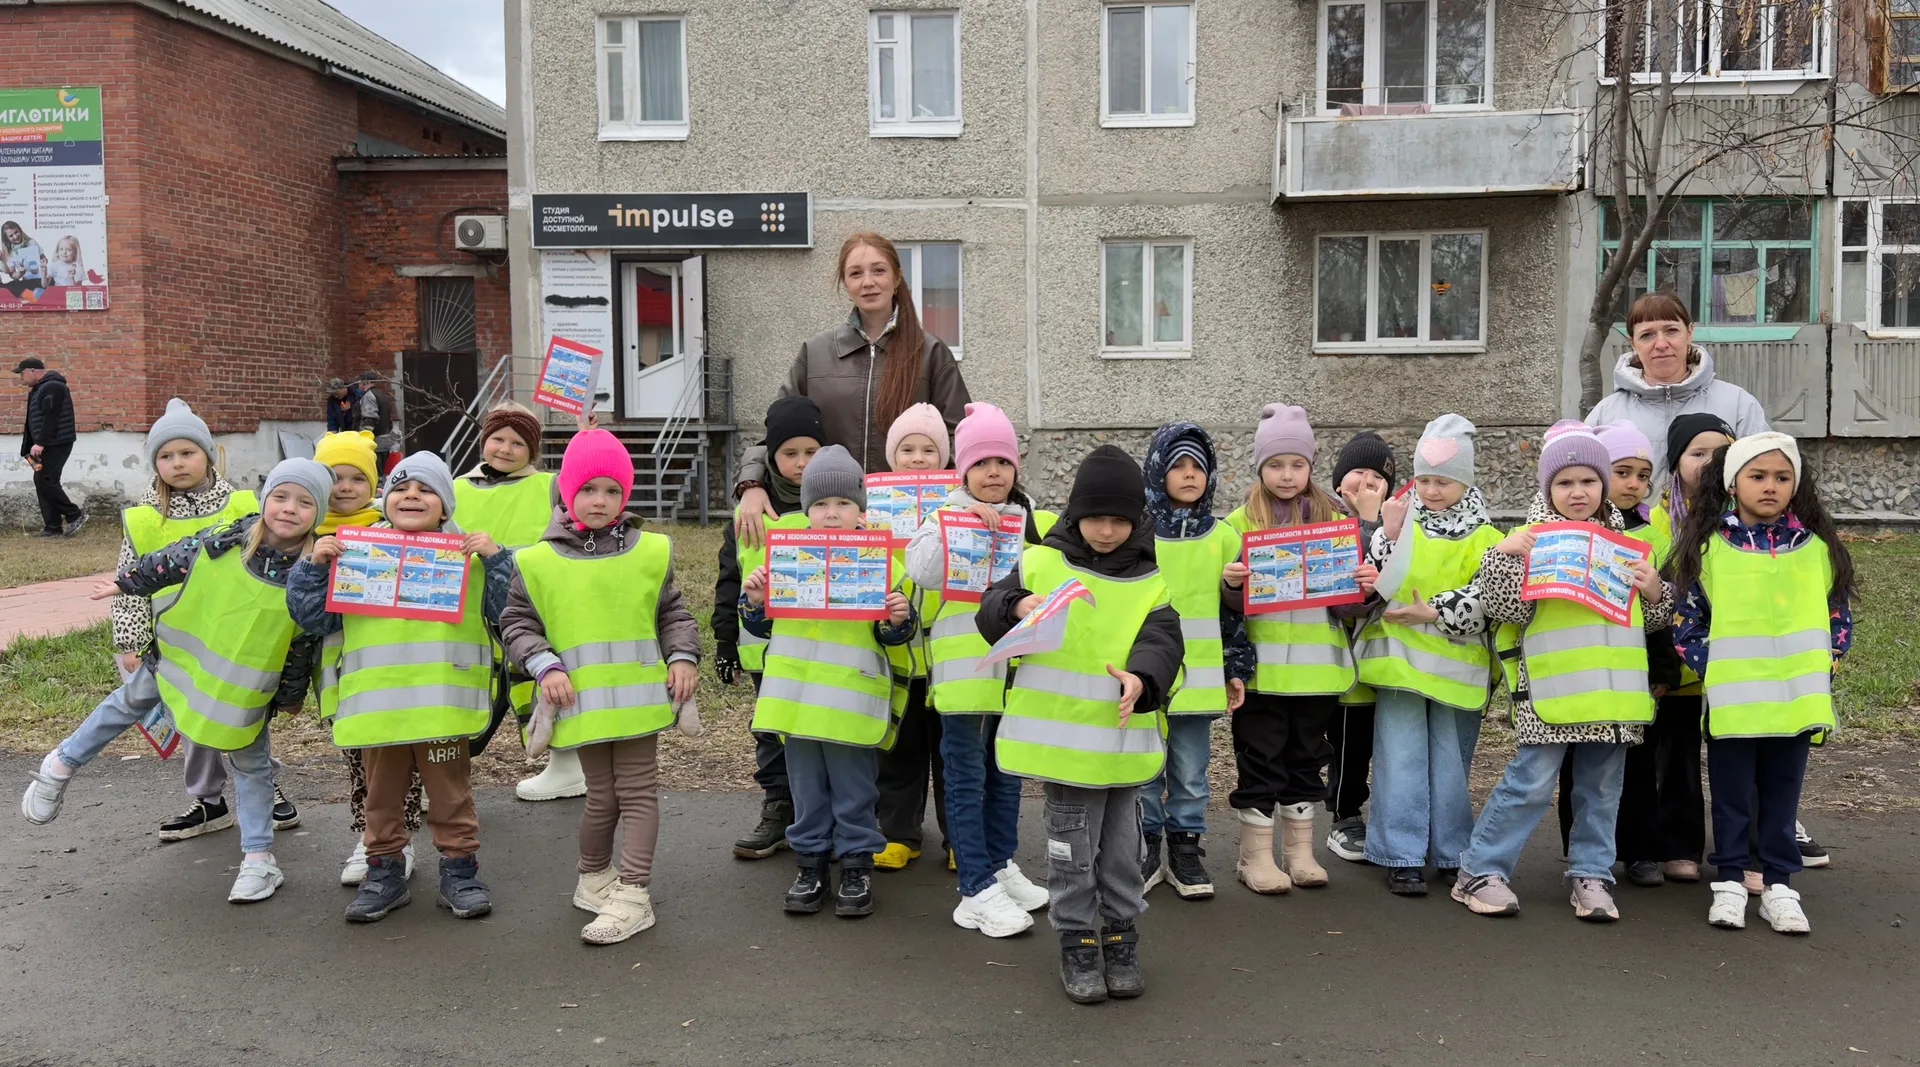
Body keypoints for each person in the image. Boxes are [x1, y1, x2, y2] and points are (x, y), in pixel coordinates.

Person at [22, 459, 330, 905]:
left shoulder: (311, 571)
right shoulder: (225, 540)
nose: (289, 509)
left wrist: (290, 696)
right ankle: (59, 766)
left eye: (304, 503)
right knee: (123, 706)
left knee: (252, 767)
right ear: (266, 500)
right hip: (176, 662)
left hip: (242, 692)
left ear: (318, 514)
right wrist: (125, 584)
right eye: (280, 497)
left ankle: (259, 859)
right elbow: (170, 561)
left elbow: (304, 641)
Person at [977, 445, 1183, 1004]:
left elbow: (1163, 641)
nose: (1107, 530)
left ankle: (1121, 934)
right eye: (1096, 518)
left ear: (1137, 520)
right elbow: (991, 605)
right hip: (1063, 750)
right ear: (1075, 515)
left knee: (1121, 853)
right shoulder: (1041, 562)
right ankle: (1076, 939)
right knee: (1071, 853)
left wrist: (1143, 678)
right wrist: (1015, 606)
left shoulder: (1152, 580)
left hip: (1121, 747)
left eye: (1120, 519)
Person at [1453, 421, 1672, 923]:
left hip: (1614, 695)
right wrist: (1502, 558)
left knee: (1602, 790)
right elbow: (1506, 610)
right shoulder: (1528, 540)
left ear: (1603, 485)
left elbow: (1651, 620)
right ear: (1547, 487)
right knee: (1529, 785)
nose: (1578, 492)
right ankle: (1480, 871)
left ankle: (1592, 874)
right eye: (1565, 482)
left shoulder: (1628, 545)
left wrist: (1657, 591)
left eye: (1589, 481)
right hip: (1551, 691)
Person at [289, 452, 517, 924]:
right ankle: (384, 873)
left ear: (446, 505)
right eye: (401, 488)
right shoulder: (355, 556)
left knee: (451, 797)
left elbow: (506, 611)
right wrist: (313, 567)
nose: (412, 496)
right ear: (385, 500)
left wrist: (497, 560)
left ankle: (461, 872)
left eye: (426, 489)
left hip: (441, 709)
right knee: (381, 798)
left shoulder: (471, 558)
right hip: (380, 710)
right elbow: (314, 619)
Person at [500, 428, 701, 945]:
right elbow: (517, 625)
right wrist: (545, 666)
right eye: (588, 489)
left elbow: (673, 614)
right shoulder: (536, 561)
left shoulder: (651, 552)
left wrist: (682, 656)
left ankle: (632, 892)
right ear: (567, 492)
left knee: (635, 793)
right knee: (602, 797)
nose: (600, 500)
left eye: (613, 490)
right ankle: (593, 878)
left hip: (637, 705)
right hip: (581, 704)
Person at [1667, 433, 1852, 935]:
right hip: (1735, 702)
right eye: (1758, 476)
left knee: (1781, 799)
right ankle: (1729, 882)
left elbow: (1837, 618)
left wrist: (1828, 663)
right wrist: (1717, 669)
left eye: (1782, 477)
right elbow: (1687, 622)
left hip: (1796, 704)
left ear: (1795, 485)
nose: (1770, 486)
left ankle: (1779, 887)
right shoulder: (1709, 550)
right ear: (1733, 484)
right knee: (1731, 798)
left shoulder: (1818, 550)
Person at [740, 445, 919, 918]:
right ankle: (810, 863)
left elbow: (895, 636)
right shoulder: (785, 559)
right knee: (807, 790)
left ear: (862, 509)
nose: (832, 513)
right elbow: (763, 626)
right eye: (820, 503)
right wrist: (755, 601)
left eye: (843, 503)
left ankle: (856, 865)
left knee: (855, 790)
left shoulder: (885, 563)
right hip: (796, 703)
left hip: (849, 703)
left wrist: (898, 618)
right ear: (807, 508)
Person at [905, 402, 1054, 938]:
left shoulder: (1032, 519)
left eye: (1003, 461)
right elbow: (920, 569)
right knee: (965, 775)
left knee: (1006, 770)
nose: (994, 473)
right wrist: (964, 524)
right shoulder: (942, 516)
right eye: (982, 463)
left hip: (1015, 669)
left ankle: (1000, 862)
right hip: (964, 671)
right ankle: (974, 888)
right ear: (963, 470)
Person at [111, 399, 286, 843]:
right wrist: (130, 642)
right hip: (175, 643)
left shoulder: (242, 505)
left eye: (187, 452)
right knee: (191, 721)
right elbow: (129, 581)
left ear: (208, 455)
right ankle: (209, 801)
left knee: (244, 716)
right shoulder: (144, 518)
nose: (177, 463)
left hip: (234, 637)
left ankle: (265, 789)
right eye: (166, 456)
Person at [1221, 404, 1377, 893]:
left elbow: (1347, 607)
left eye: (1297, 464)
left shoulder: (1336, 520)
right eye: (1275, 464)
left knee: (1308, 761)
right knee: (1260, 761)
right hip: (1262, 676)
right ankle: (1254, 859)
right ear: (1258, 467)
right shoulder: (1237, 524)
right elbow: (1227, 607)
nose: (1286, 475)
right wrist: (1230, 584)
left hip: (1317, 674)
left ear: (1312, 465)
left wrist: (1364, 587)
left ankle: (1300, 854)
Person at [732, 233, 970, 547]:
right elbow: (778, 430)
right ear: (845, 284)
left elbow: (961, 439)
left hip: (907, 523)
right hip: (829, 519)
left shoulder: (931, 353)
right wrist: (751, 483)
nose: (868, 282)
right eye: (856, 273)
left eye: (879, 270)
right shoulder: (815, 353)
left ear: (897, 277)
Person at [1354, 415, 1499, 896]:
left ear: (1466, 482)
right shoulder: (1399, 523)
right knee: (1399, 758)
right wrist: (1387, 532)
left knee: (1451, 763)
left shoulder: (1487, 537)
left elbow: (1490, 597)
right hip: (1398, 661)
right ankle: (1401, 854)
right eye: (1425, 480)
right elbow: (1373, 578)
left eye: (1444, 482)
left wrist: (1434, 612)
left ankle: (1452, 851)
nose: (1432, 491)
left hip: (1456, 671)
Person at [1557, 421, 1692, 888]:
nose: (1633, 483)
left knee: (1637, 763)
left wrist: (1663, 670)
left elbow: (1662, 612)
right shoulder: (1570, 532)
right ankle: (1582, 852)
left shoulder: (1655, 538)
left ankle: (1640, 851)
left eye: (1643, 475)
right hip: (1579, 673)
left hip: (1633, 674)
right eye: (1622, 472)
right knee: (1578, 765)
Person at [1136, 422, 1248, 900]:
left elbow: (1234, 613)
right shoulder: (1138, 533)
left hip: (1200, 680)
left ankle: (1185, 850)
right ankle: (1144, 848)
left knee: (1190, 773)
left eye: (1197, 467)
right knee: (1144, 769)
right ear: (1157, 472)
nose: (1188, 475)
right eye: (1177, 465)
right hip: (1146, 677)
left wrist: (1236, 669)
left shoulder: (1224, 538)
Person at [308, 430, 425, 886]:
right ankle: (369, 835)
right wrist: (313, 564)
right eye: (335, 477)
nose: (345, 487)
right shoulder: (306, 528)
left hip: (389, 667)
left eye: (358, 478)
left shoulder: (392, 527)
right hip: (337, 670)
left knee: (396, 753)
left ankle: (396, 840)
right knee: (358, 757)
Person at [713, 396, 824, 859]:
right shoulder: (750, 514)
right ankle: (779, 806)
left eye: (811, 452)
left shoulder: (838, 509)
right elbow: (729, 578)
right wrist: (724, 641)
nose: (801, 463)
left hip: (822, 647)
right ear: (771, 457)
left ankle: (823, 813)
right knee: (771, 731)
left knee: (820, 727)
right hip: (764, 648)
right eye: (789, 453)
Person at [449, 402, 577, 803]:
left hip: (531, 612)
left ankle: (566, 766)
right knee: (465, 691)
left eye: (518, 443)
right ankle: (447, 776)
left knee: (539, 688)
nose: (505, 449)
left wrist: (585, 434)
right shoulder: (454, 487)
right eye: (498, 439)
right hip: (468, 615)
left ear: (532, 451)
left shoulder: (550, 486)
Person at [1585, 291, 1769, 494]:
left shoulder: (1738, 404)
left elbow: (1764, 474)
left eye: (1671, 331)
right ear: (1633, 343)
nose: (1661, 344)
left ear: (1689, 333)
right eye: (1647, 335)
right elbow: (1584, 482)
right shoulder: (1607, 413)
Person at [872, 402, 952, 871]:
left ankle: (958, 838)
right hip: (898, 654)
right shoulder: (873, 509)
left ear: (944, 459)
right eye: (907, 449)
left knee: (952, 756)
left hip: (946, 658)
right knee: (899, 752)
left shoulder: (960, 508)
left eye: (929, 450)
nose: (918, 458)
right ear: (892, 457)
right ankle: (898, 834)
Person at [1323, 431, 1395, 863]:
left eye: (1378, 477)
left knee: (1366, 744)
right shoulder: (1323, 519)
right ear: (1338, 481)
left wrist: (1377, 522)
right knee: (1341, 744)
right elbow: (1348, 587)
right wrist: (1367, 523)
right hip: (1331, 656)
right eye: (1357, 472)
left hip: (1379, 659)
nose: (1367, 482)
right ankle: (1342, 815)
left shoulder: (1398, 525)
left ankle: (1361, 815)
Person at [14, 358, 85, 537]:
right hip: (46, 444)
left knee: (45, 481)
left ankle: (74, 515)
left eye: (22, 373)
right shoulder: (40, 388)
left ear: (33, 371)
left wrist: (40, 442)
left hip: (57, 443)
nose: (21, 378)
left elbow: (51, 416)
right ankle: (52, 528)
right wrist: (29, 446)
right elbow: (33, 421)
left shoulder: (53, 386)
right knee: (43, 481)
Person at [356, 370, 400, 469]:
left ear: (365, 382)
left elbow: (370, 419)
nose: (358, 385)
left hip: (376, 442)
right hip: (385, 439)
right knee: (384, 471)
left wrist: (363, 439)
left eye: (360, 382)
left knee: (376, 472)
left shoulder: (369, 396)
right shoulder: (380, 394)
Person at [1, 221, 47, 299]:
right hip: (26, 281)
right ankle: (34, 297)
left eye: (16, 232)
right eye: (11, 236)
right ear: (7, 239)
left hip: (41, 278)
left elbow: (43, 258)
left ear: (20, 230)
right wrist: (19, 273)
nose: (15, 236)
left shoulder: (31, 242)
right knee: (14, 285)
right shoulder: (9, 253)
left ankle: (38, 296)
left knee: (52, 280)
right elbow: (12, 275)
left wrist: (44, 261)